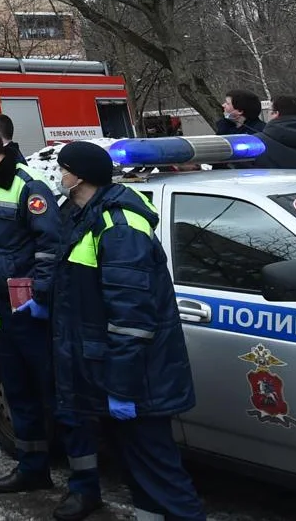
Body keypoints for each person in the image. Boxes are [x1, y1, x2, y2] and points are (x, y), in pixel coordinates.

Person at [50, 141, 204, 521]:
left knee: (160, 473)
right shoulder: (87, 215)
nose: (58, 174)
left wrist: (121, 388)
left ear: (79, 176)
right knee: (139, 473)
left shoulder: (118, 227)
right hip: (116, 373)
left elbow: (131, 319)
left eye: (62, 167)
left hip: (138, 380)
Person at [0, 121, 98, 519]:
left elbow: (49, 245)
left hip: (31, 314)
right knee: (18, 393)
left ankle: (85, 486)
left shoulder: (27, 187)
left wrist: (39, 297)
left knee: (59, 398)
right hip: (2, 311)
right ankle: (33, 467)